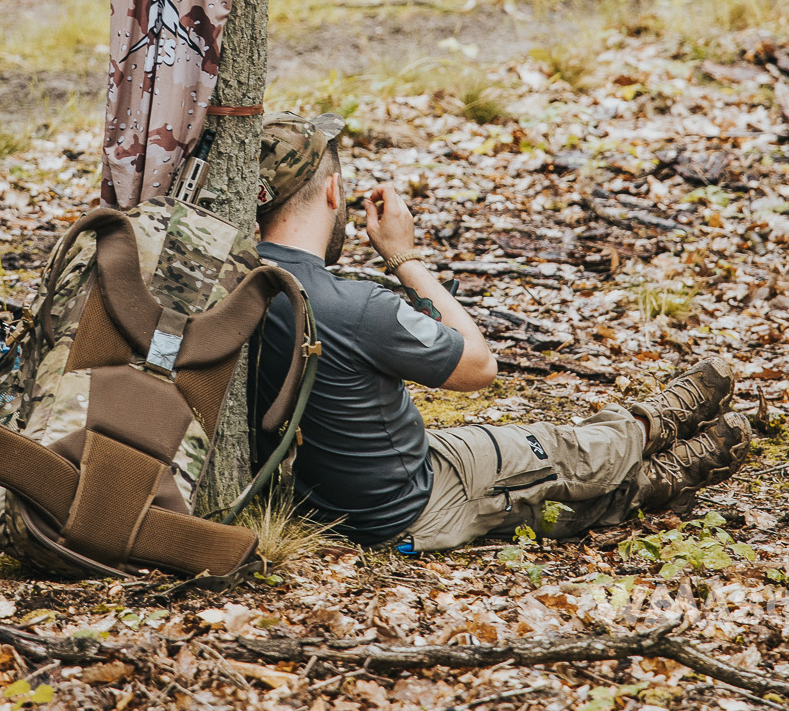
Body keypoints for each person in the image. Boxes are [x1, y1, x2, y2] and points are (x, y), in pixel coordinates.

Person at [251, 112, 752, 551]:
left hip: (343, 494)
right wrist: (405, 257)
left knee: (535, 486)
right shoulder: (354, 308)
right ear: (334, 192)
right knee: (556, 450)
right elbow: (478, 365)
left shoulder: (231, 282)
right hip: (411, 504)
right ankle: (647, 429)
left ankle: (658, 478)